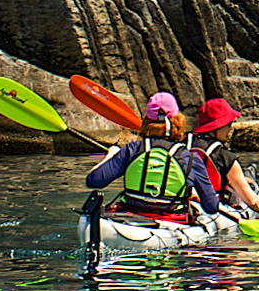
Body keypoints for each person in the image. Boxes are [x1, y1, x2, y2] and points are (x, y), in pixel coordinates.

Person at [85, 92, 220, 220]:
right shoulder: (189, 158)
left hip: (130, 215)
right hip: (172, 222)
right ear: (178, 121)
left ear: (147, 121)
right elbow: (211, 207)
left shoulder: (131, 150)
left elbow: (94, 181)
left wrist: (111, 155)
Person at [189, 98, 259, 217]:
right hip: (214, 210)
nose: (230, 128)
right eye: (228, 124)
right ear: (218, 126)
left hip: (188, 204)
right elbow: (253, 203)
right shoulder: (225, 156)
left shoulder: (183, 145)